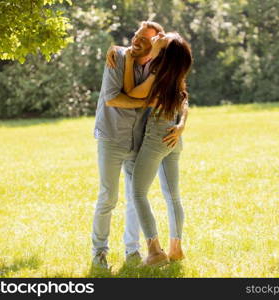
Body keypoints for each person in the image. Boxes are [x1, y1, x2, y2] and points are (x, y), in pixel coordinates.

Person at [92, 21, 188, 269]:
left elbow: (176, 96)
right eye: (136, 35)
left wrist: (181, 125)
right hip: (113, 136)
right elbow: (113, 98)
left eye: (146, 39)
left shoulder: (160, 68)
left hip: (143, 138)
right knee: (108, 197)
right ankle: (100, 252)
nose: (137, 40)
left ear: (156, 45)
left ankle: (135, 250)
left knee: (137, 196)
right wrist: (150, 102)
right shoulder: (118, 57)